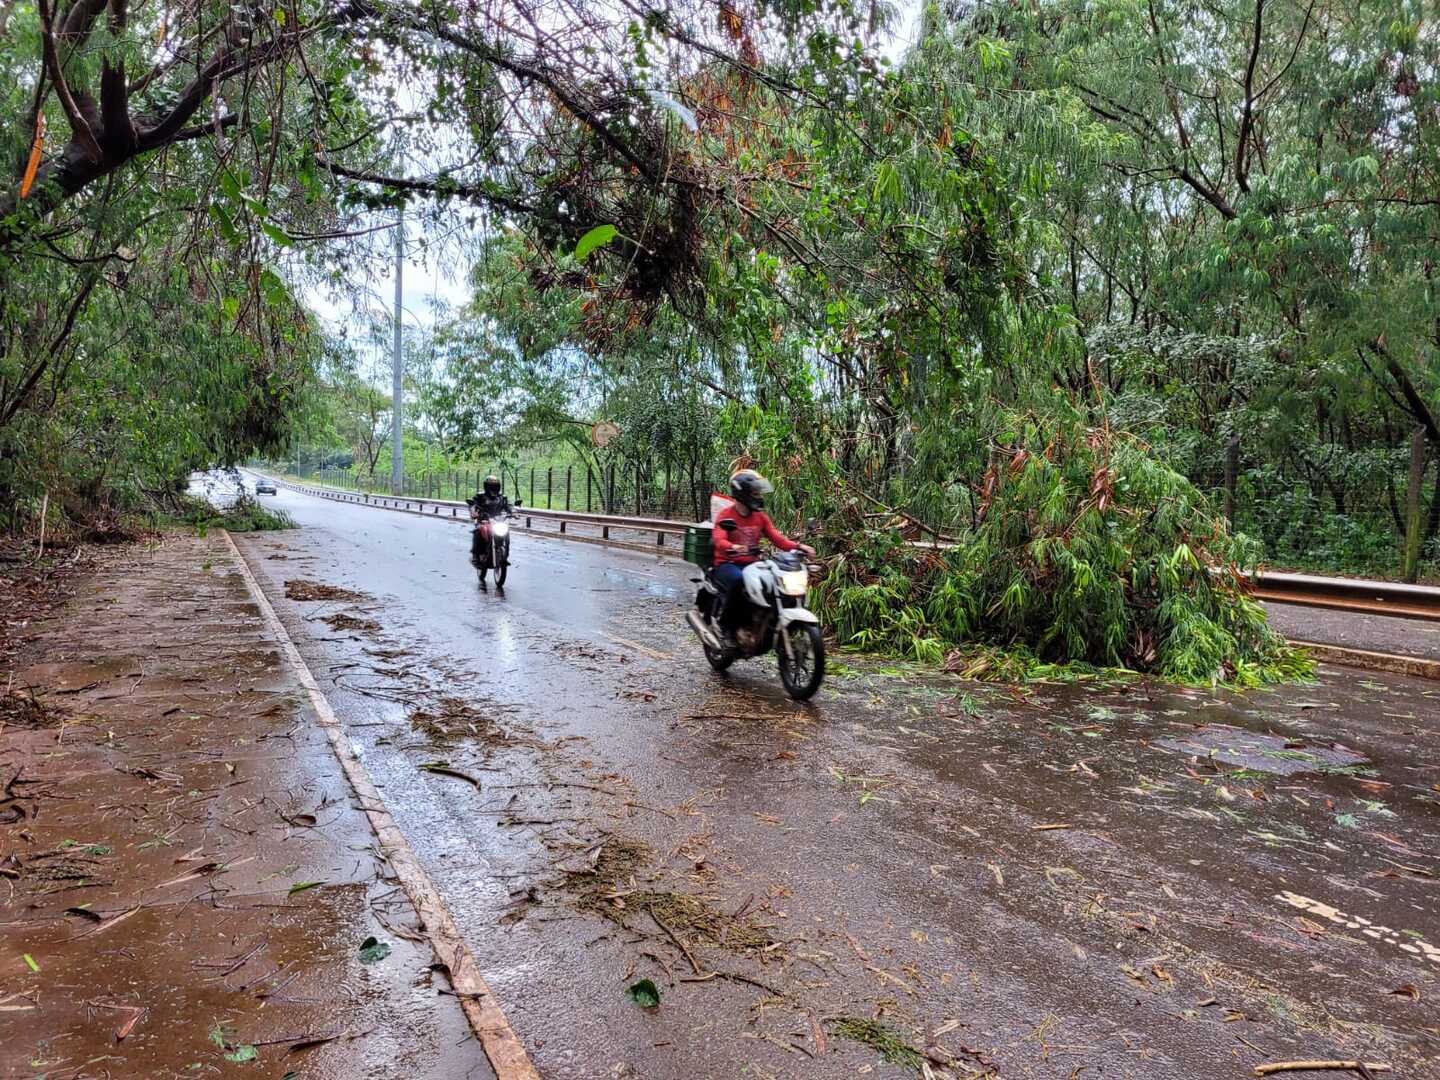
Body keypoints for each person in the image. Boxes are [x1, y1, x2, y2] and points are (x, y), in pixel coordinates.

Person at [711, 469, 815, 645]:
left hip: (752, 564)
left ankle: (764, 625)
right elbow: (719, 539)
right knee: (738, 581)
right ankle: (726, 629)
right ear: (742, 493)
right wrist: (733, 547)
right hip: (727, 563)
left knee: (774, 582)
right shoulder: (726, 515)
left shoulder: (760, 517)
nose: (759, 496)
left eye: (758, 492)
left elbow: (778, 539)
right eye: (755, 492)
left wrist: (799, 547)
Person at [467, 476, 512, 569]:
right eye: (491, 486)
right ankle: (475, 556)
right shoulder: (480, 496)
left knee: (506, 531)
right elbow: (473, 505)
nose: (493, 488)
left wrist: (514, 512)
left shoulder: (502, 497)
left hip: (498, 520)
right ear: (486, 486)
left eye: (495, 486)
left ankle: (505, 556)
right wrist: (474, 512)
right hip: (483, 520)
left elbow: (509, 506)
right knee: (478, 530)